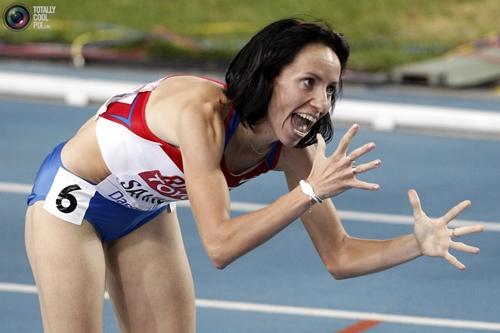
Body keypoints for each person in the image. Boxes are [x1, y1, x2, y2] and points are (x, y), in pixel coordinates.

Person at [25, 18, 483, 333]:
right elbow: (220, 246)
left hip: (142, 211)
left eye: (330, 89)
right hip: (71, 204)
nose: (322, 104)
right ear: (268, 76)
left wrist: (416, 244)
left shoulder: (297, 149)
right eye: (308, 83)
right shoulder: (200, 113)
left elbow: (339, 256)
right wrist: (308, 192)